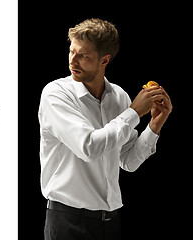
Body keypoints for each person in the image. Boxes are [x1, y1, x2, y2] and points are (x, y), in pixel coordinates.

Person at [38, 18, 172, 240]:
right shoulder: (56, 94)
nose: (73, 60)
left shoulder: (120, 97)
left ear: (105, 60)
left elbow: (127, 161)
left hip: (110, 222)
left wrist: (154, 126)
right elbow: (88, 147)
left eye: (84, 56)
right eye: (72, 51)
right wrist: (133, 113)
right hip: (68, 221)